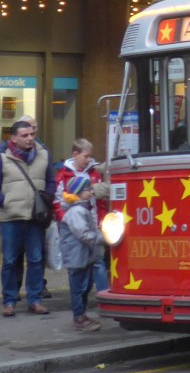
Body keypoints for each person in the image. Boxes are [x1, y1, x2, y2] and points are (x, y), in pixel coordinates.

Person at [0, 121, 52, 316]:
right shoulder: (3, 156)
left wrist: (48, 198)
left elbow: (51, 181)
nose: (30, 138)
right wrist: (4, 201)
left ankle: (35, 300)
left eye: (31, 134)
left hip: (35, 216)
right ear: (13, 138)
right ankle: (9, 301)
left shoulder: (43, 154)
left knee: (36, 260)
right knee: (10, 261)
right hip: (10, 216)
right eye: (24, 135)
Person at [53, 137, 109, 291]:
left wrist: (101, 220)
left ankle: (102, 294)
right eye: (86, 156)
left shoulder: (95, 172)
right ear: (75, 154)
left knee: (97, 262)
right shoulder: (63, 175)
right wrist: (65, 220)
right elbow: (57, 202)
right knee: (77, 265)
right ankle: (80, 297)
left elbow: (101, 201)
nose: (88, 159)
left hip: (94, 223)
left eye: (90, 156)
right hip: (73, 227)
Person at [59, 175, 102, 332]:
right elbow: (83, 234)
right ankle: (79, 317)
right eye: (87, 189)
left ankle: (81, 315)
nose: (91, 192)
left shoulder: (82, 208)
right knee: (78, 288)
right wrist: (103, 238)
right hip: (76, 256)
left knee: (85, 286)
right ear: (78, 192)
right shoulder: (76, 211)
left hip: (83, 255)